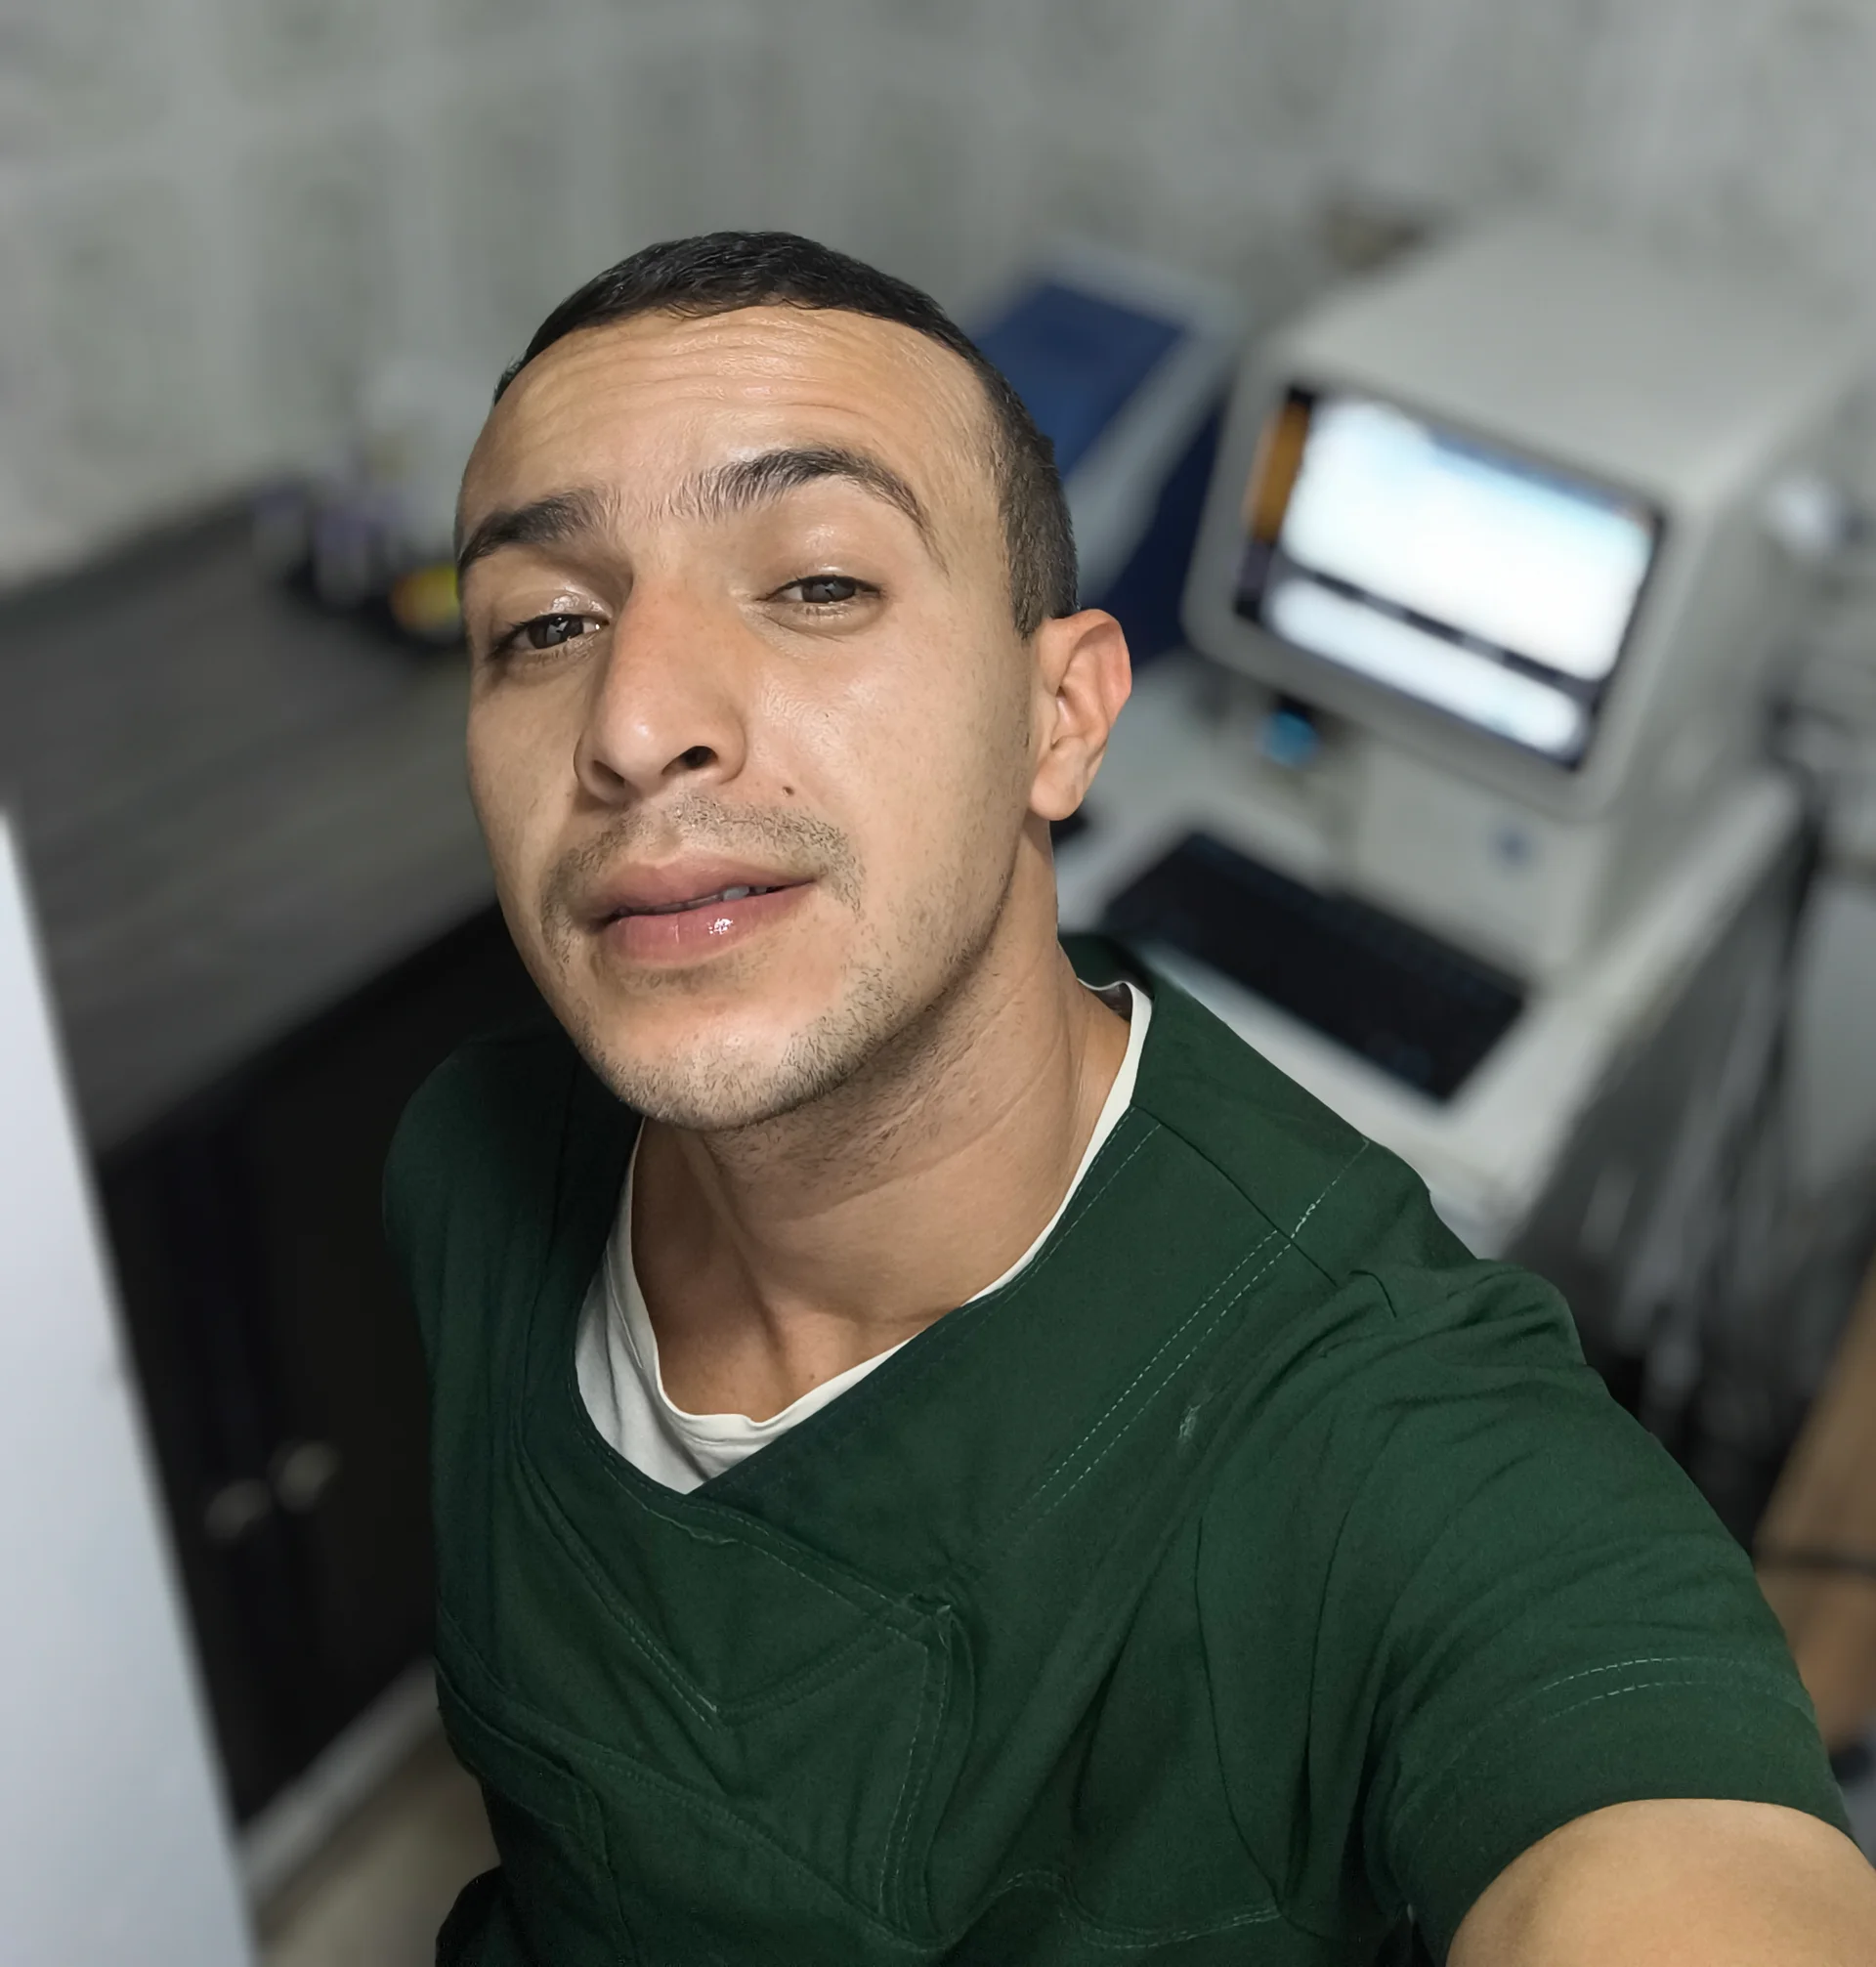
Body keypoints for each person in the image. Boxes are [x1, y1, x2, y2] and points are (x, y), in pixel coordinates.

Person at [388, 231, 1876, 1965]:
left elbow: (1654, 1819)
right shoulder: (471, 1169)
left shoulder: (1372, 1433)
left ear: (1063, 717)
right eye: (546, 624)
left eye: (817, 586)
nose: (635, 722)